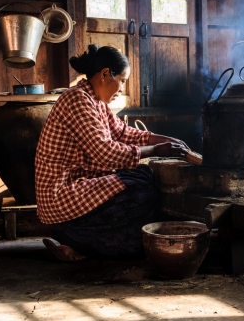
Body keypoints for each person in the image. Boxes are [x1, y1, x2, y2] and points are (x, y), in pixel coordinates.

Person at [35, 44, 188, 261]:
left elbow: (123, 132)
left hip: (80, 188)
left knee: (144, 175)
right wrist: (155, 149)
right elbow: (105, 153)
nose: (122, 89)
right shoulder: (77, 100)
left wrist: (164, 139)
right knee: (142, 192)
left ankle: (78, 239)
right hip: (62, 197)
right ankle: (74, 238)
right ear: (106, 74)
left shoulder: (96, 102)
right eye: (123, 81)